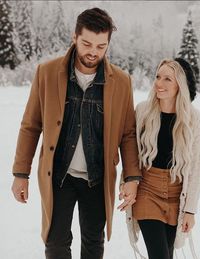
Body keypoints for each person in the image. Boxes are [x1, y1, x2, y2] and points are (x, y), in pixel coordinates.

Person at [11, 7, 142, 259]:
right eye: (87, 43)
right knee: (56, 243)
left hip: (97, 177)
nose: (93, 52)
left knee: (93, 245)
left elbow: (127, 133)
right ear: (74, 37)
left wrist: (132, 178)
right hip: (59, 174)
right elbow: (31, 125)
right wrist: (20, 173)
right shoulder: (47, 73)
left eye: (101, 46)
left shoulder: (122, 82)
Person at [124, 58, 200, 259]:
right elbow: (130, 150)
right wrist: (128, 183)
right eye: (158, 77)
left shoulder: (194, 120)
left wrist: (190, 211)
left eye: (167, 79)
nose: (159, 83)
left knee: (166, 254)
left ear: (181, 85)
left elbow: (196, 168)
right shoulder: (143, 111)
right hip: (147, 190)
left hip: (176, 195)